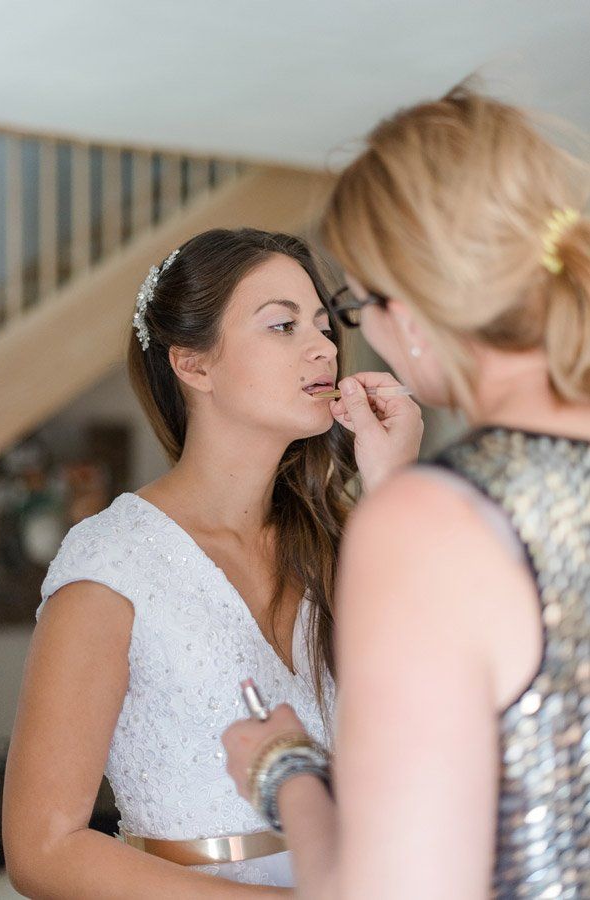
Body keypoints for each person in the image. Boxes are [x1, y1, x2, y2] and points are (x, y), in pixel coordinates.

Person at [223, 87, 590, 898]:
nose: (335, 341)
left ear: (407, 306)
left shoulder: (436, 521)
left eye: (346, 308)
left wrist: (288, 776)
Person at [2, 227, 422, 897]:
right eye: (282, 325)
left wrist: (393, 485)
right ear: (193, 366)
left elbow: (436, 722)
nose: (322, 347)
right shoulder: (114, 561)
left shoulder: (345, 538)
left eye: (322, 324)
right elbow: (44, 850)